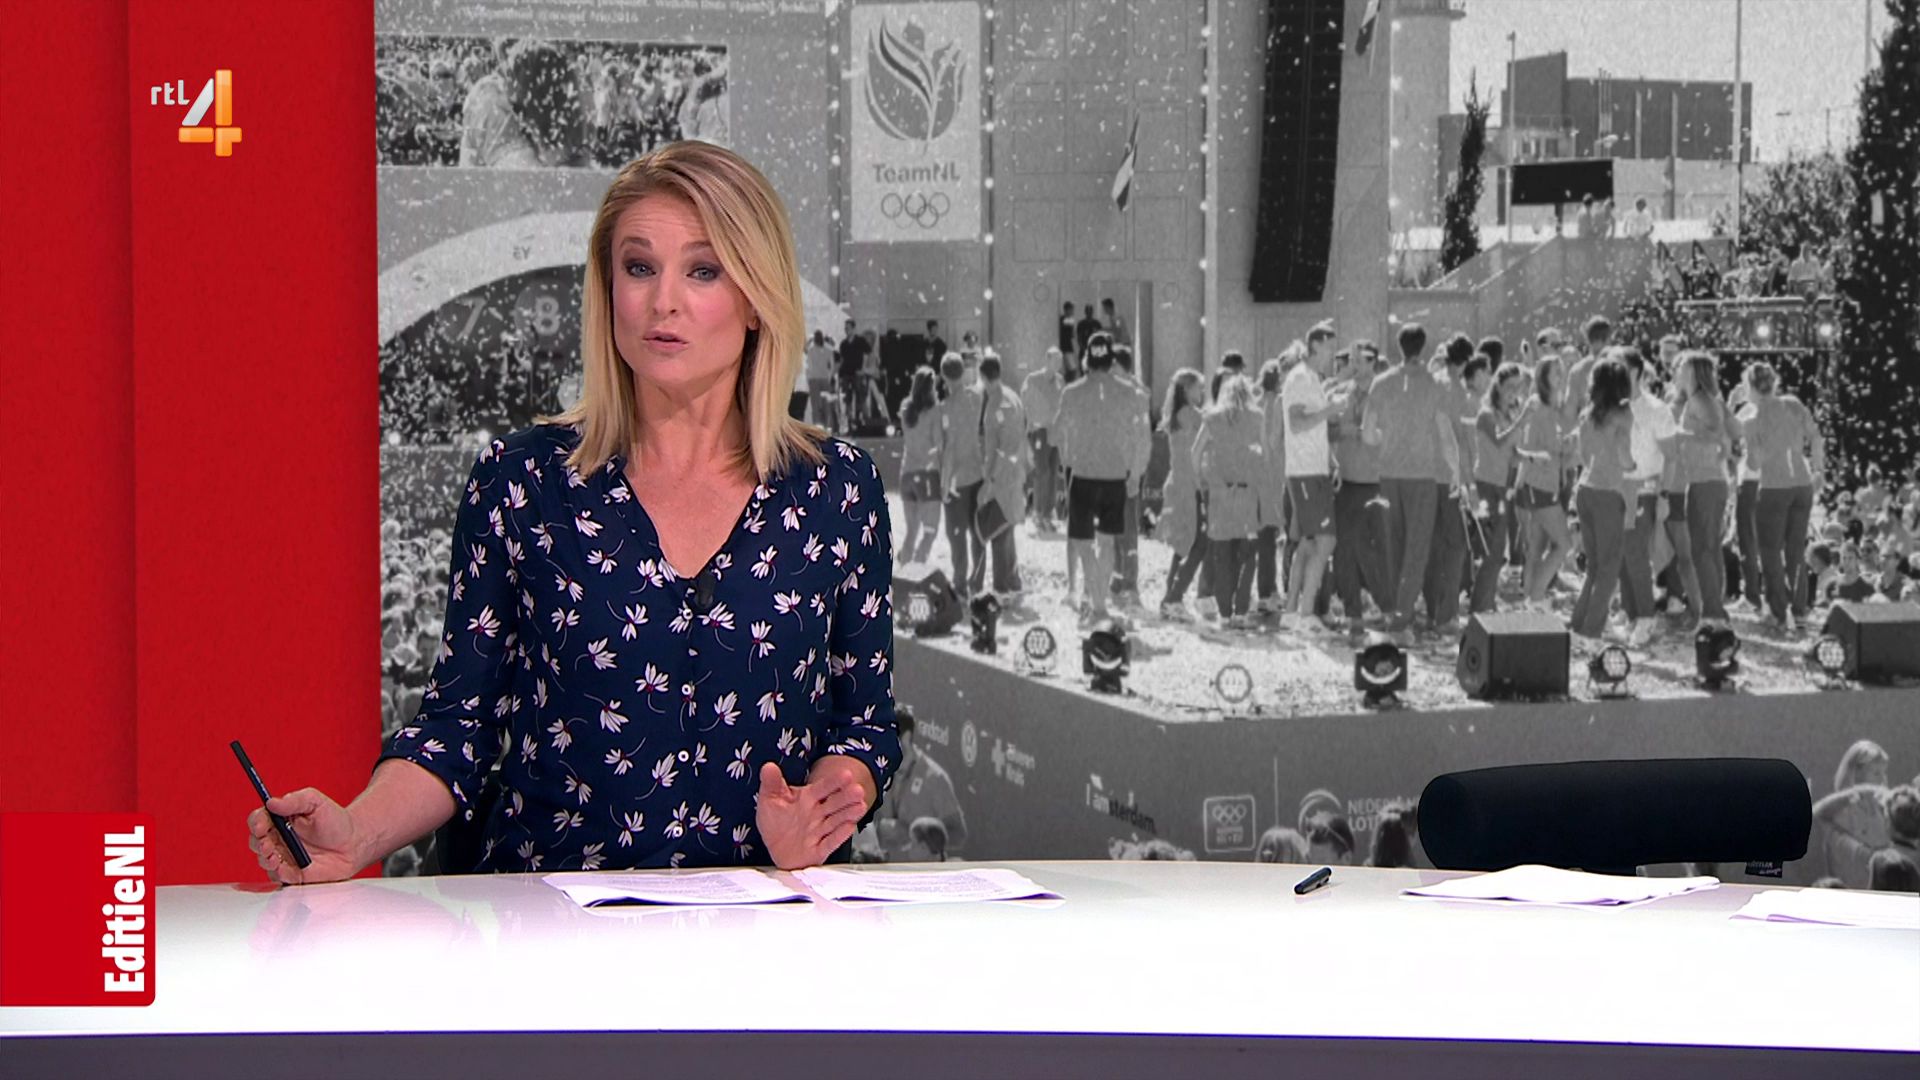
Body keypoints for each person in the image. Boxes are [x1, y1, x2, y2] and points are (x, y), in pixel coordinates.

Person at [249, 142, 899, 882]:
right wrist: (356, 833)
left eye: (703, 270)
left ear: (756, 298)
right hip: (547, 922)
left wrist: (819, 808)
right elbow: (458, 730)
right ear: (607, 288)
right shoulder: (521, 481)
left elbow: (864, 730)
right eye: (639, 267)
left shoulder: (838, 491)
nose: (663, 301)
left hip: (758, 920)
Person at [1363, 323, 1462, 641]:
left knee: (1393, 546)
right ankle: (1401, 620)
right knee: (1416, 549)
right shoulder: (1434, 384)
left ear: (1398, 346)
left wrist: (1388, 439)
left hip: (1389, 474)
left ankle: (1394, 613)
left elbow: (1368, 434)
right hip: (1422, 476)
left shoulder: (1381, 382)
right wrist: (1456, 471)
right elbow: (1445, 434)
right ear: (1424, 346)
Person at [1055, 332, 1151, 626]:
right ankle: (1099, 605)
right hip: (1114, 475)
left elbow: (1057, 434)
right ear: (1111, 361)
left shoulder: (1071, 392)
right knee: (1107, 543)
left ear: (1086, 359)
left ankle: (1097, 605)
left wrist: (1067, 460)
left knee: (1084, 544)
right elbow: (1142, 437)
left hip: (1083, 473)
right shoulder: (1130, 392)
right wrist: (1135, 472)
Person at [1737, 361, 1825, 633]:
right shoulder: (1793, 404)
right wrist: (1819, 470)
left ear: (1750, 387)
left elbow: (1753, 463)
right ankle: (1799, 610)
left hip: (1774, 488)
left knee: (1770, 551)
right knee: (1796, 550)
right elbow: (1816, 437)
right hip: (1802, 484)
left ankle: (1778, 610)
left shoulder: (1752, 421)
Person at [1284, 324, 1351, 628]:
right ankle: (1306, 613)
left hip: (1313, 469)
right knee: (1326, 541)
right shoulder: (1300, 377)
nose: (1332, 354)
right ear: (1316, 344)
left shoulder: (1311, 378)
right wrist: (1330, 410)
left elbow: (1312, 428)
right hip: (1305, 472)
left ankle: (1292, 612)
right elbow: (1297, 423)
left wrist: (1331, 461)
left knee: (1309, 543)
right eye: (1330, 347)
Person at [1569, 357, 1637, 640]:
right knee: (1609, 568)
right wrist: (1632, 466)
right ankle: (1591, 632)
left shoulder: (1588, 414)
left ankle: (1578, 625)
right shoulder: (1623, 413)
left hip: (1585, 490)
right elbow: (1623, 455)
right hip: (1609, 493)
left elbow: (1583, 456)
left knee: (1594, 567)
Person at [1326, 341, 1392, 631]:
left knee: (1376, 550)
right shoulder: (1338, 394)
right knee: (1344, 549)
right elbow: (1326, 429)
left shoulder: (1386, 395)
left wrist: (1370, 433)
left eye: (1358, 360)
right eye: (1351, 360)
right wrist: (1348, 430)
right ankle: (1353, 613)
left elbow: (1392, 433)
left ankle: (1386, 607)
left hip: (1376, 481)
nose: (1352, 365)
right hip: (1346, 481)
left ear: (1372, 362)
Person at [1193, 374, 1267, 628]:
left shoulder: (1212, 418)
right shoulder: (1257, 417)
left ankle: (1225, 615)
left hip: (1219, 493)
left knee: (1222, 554)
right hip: (1247, 493)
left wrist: (1201, 481)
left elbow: (1195, 452)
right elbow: (1266, 452)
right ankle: (1241, 612)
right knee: (1247, 555)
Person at [1621, 349, 1680, 646]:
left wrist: (1664, 495)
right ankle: (1631, 613)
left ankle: (1646, 615)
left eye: (1618, 368)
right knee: (1622, 554)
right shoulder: (1613, 406)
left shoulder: (1657, 409)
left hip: (1644, 490)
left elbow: (1672, 456)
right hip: (1616, 490)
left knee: (1635, 553)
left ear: (1634, 372)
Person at [1670, 351, 1733, 624]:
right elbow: (1725, 438)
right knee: (1710, 549)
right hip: (1707, 481)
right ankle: (1716, 609)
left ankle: (1713, 613)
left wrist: (1681, 435)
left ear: (1695, 372)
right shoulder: (1706, 399)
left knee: (1703, 550)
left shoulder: (1700, 399)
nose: (1678, 372)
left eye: (1683, 368)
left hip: (1705, 482)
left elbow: (1716, 433)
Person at [1470, 360, 1529, 613]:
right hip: (1485, 486)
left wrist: (1532, 457)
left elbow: (1512, 455)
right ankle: (1480, 606)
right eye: (1510, 386)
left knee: (1497, 551)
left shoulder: (1510, 416)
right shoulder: (1486, 414)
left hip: (1502, 487)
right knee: (1491, 551)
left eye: (1518, 386)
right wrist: (1523, 421)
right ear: (1498, 386)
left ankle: (1486, 603)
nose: (1514, 392)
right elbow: (1499, 442)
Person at [870, 708, 967, 862]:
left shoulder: (934, 779)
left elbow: (958, 835)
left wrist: (915, 836)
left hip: (919, 873)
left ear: (906, 738)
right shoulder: (878, 770)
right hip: (883, 869)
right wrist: (877, 829)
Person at [1156, 369, 1210, 620]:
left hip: (1178, 484)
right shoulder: (1191, 415)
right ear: (1187, 389)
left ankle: (1171, 596)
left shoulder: (1176, 414)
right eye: (1199, 387)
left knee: (1183, 543)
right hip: (1190, 487)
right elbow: (1212, 429)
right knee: (1199, 543)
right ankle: (1174, 597)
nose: (1202, 392)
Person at [936, 352, 989, 598]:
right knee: (977, 533)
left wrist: (944, 482)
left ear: (944, 376)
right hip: (977, 472)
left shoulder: (944, 408)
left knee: (956, 535)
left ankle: (959, 583)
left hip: (957, 478)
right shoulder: (976, 397)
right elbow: (978, 384)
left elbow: (948, 450)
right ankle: (977, 583)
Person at [976, 352, 1029, 597]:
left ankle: (1001, 587)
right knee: (1007, 527)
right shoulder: (1013, 396)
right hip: (1016, 471)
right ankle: (1013, 581)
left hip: (1002, 475)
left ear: (983, 377)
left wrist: (990, 481)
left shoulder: (996, 404)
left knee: (997, 528)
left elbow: (999, 449)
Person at [896, 367, 943, 566]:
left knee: (911, 531)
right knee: (930, 531)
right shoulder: (934, 411)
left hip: (906, 474)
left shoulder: (905, 408)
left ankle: (903, 570)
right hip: (926, 475)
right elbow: (939, 444)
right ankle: (916, 568)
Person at [1021, 347, 1066, 533]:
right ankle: (1037, 513)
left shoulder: (1060, 381)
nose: (1059, 364)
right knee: (1042, 471)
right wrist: (1032, 421)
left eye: (1060, 361)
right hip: (1039, 432)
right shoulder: (1032, 379)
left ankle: (1048, 514)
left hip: (1055, 432)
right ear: (1047, 360)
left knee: (1053, 472)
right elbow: (1024, 403)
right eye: (1056, 360)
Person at [804, 329, 839, 432]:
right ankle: (828, 426)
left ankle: (818, 426)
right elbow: (832, 365)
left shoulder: (811, 350)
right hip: (824, 379)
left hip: (813, 379)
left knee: (815, 404)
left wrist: (809, 340)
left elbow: (805, 353)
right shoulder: (829, 350)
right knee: (826, 404)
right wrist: (829, 376)